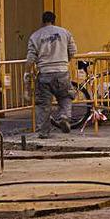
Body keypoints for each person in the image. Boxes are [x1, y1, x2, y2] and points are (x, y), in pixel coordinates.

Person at [26, 11, 77, 139]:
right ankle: (64, 117)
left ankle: (43, 132)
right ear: (55, 20)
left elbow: (30, 58)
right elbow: (73, 51)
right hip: (62, 72)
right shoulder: (65, 33)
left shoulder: (35, 36)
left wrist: (28, 73)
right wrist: (65, 61)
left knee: (43, 104)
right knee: (66, 97)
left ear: (42, 21)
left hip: (44, 73)